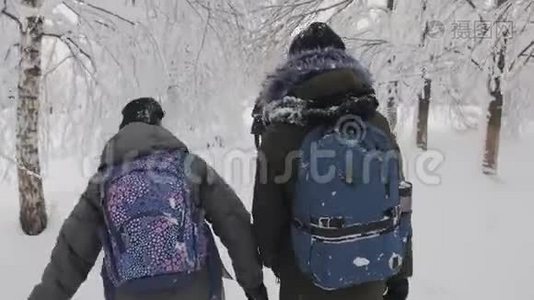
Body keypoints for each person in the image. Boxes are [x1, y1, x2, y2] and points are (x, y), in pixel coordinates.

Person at [29, 98, 268, 300]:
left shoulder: (103, 183)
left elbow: (72, 253)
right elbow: (233, 221)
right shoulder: (189, 167)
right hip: (196, 289)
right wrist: (253, 284)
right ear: (159, 126)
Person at [252, 23, 412, 300]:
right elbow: (399, 202)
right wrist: (400, 273)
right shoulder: (375, 123)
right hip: (372, 272)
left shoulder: (280, 133)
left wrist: (280, 264)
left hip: (305, 276)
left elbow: (267, 217)